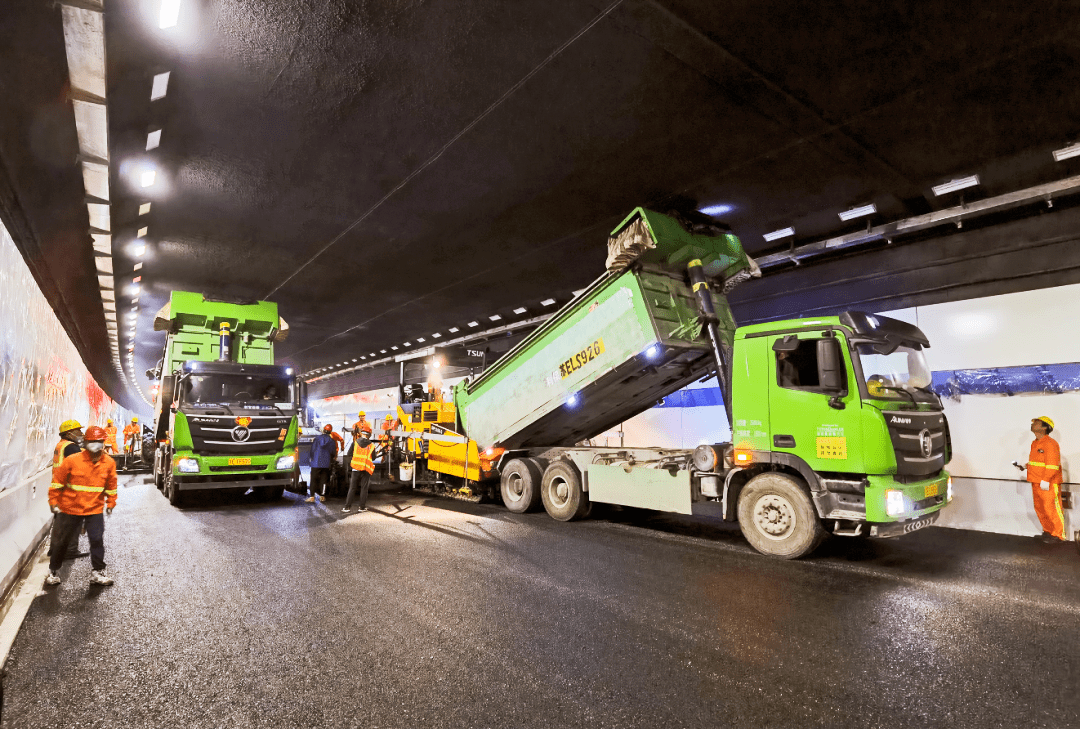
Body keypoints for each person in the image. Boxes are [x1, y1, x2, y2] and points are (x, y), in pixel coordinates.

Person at [45, 426, 117, 586]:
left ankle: (98, 572)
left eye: (98, 441)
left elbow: (111, 485)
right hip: (71, 508)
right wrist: (53, 501)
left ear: (103, 442)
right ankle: (54, 571)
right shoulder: (73, 460)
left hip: (94, 509)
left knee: (97, 540)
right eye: (92, 441)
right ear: (86, 442)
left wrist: (111, 502)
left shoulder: (109, 463)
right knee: (62, 541)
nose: (95, 445)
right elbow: (57, 482)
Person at [1020, 416, 1065, 543]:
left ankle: (1057, 534)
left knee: (1052, 508)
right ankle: (1048, 531)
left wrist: (1045, 480)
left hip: (1048, 482)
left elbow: (1053, 465)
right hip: (1036, 481)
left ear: (1045, 427)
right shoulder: (1035, 443)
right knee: (1040, 508)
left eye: (1037, 423)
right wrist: (1026, 466)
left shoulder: (1050, 443)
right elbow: (1038, 462)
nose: (1033, 424)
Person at [53, 419, 89, 561]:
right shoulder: (71, 447)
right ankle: (70, 550)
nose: (81, 433)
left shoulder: (60, 445)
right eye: (78, 431)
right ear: (69, 433)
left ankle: (55, 549)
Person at [343, 428, 377, 514]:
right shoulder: (371, 445)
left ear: (362, 434)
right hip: (365, 469)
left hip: (355, 469)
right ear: (369, 435)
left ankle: (347, 507)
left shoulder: (355, 443)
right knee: (364, 488)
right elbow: (373, 457)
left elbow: (349, 454)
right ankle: (361, 507)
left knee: (352, 488)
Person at [306, 424, 338, 504]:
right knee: (324, 480)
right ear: (330, 431)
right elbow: (333, 453)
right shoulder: (331, 441)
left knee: (313, 479)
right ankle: (322, 496)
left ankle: (312, 497)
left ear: (323, 430)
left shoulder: (317, 438)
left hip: (316, 463)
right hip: (326, 463)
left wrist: (311, 458)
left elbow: (312, 450)